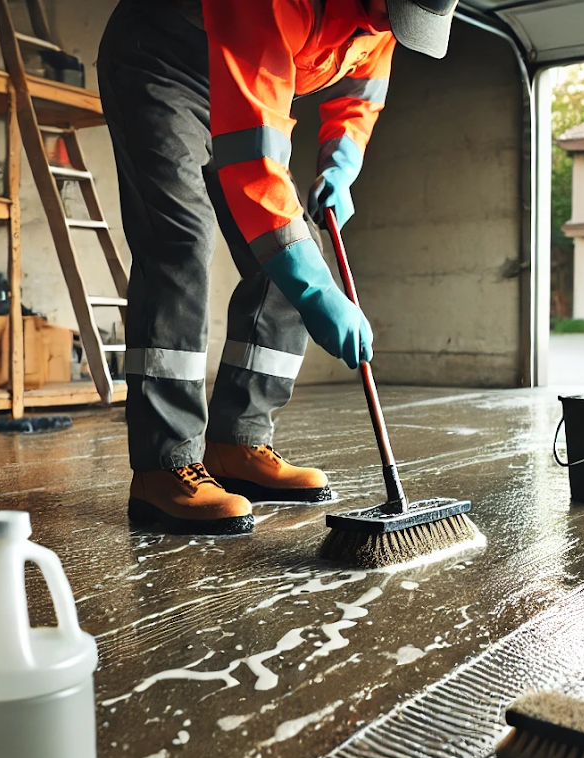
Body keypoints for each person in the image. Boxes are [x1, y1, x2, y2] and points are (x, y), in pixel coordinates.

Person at [97, 0, 458, 535]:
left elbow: (360, 91)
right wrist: (317, 290)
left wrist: (341, 165)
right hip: (163, 63)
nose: (389, 28)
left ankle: (237, 442)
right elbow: (252, 159)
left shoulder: (384, 16)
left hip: (246, 82)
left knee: (291, 251)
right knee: (181, 242)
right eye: (393, 12)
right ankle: (163, 466)